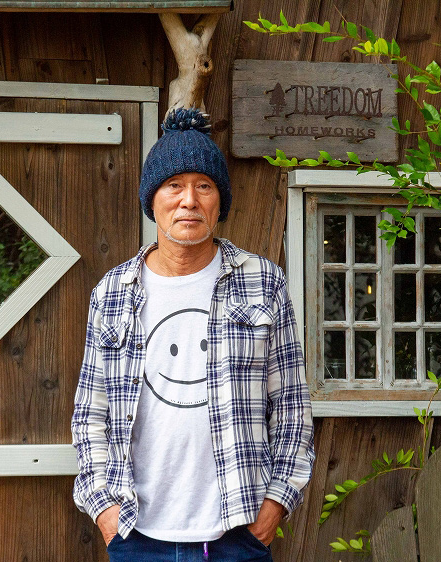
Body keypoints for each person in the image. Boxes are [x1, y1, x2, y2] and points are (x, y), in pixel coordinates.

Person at [72, 108, 314, 561]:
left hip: (236, 533)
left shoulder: (263, 282)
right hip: (136, 534)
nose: (189, 200)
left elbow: (291, 408)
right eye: (174, 185)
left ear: (220, 201)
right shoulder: (112, 292)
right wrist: (104, 510)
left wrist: (275, 506)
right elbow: (91, 413)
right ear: (152, 200)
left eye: (204, 186)